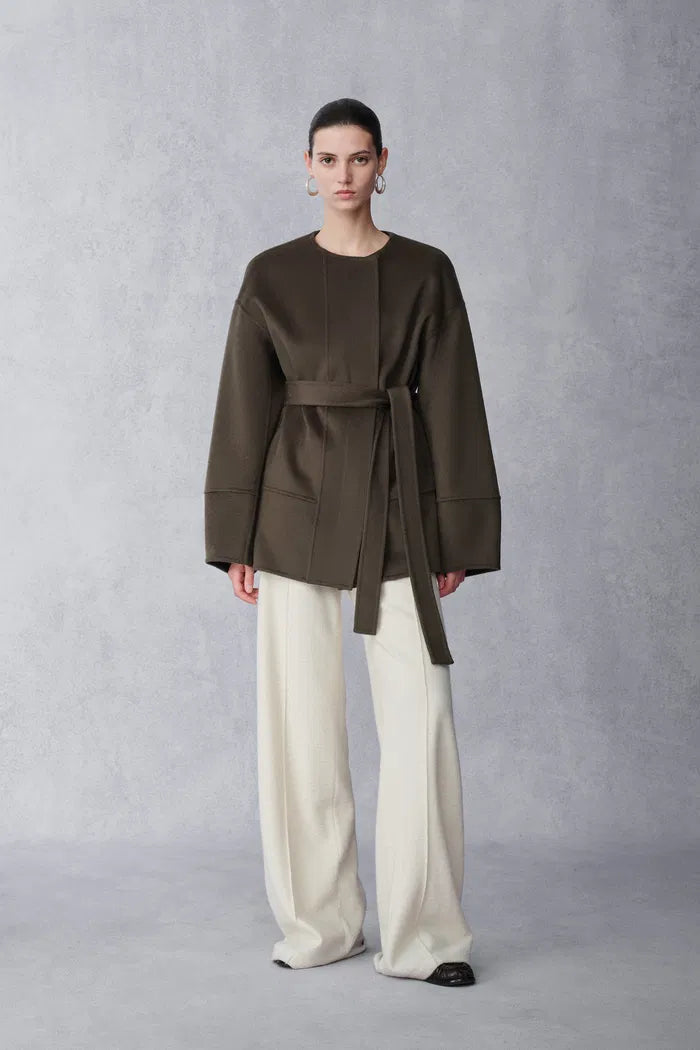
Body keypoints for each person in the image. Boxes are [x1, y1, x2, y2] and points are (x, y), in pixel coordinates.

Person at [203, 98, 501, 986]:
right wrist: (235, 536)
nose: (343, 175)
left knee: (421, 721)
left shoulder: (427, 271)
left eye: (359, 158)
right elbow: (243, 407)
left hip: (400, 506)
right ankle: (319, 925)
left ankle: (426, 939)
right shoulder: (269, 274)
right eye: (327, 159)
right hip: (293, 510)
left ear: (382, 164)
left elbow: (455, 401)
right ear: (306, 166)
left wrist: (456, 528)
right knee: (299, 727)